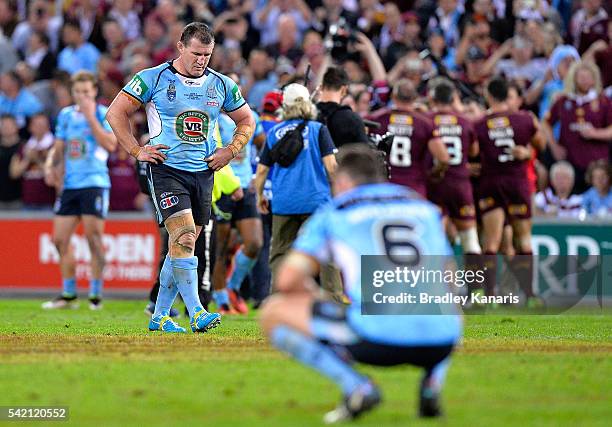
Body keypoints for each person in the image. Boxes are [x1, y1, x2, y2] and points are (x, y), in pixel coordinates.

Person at [260, 144, 462, 423]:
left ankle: (358, 386)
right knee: (444, 298)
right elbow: (449, 275)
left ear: (342, 180)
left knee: (274, 311)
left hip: (378, 339)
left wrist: (318, 295)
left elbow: (287, 280)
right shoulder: (421, 206)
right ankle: (432, 385)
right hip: (442, 340)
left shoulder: (336, 211)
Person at [106, 22, 256, 333]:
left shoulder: (221, 85)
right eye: (197, 53)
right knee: (185, 235)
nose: (202, 60)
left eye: (208, 54)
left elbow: (246, 120)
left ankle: (159, 316)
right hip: (166, 170)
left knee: (182, 244)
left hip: (203, 173)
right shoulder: (153, 78)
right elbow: (115, 112)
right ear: (180, 47)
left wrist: (231, 149)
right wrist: (136, 150)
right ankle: (197, 311)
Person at [254, 83, 342, 299]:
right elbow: (331, 166)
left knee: (281, 253)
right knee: (326, 251)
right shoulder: (318, 130)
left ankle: (280, 299)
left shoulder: (274, 132)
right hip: (316, 202)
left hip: (284, 203)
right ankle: (334, 298)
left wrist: (260, 196)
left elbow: (262, 170)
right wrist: (340, 194)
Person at [41, 71, 117, 310]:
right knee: (59, 240)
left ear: (94, 91)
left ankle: (95, 295)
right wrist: (50, 165)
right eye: (77, 92)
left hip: (94, 183)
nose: (82, 96)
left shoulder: (103, 114)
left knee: (93, 239)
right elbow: (59, 146)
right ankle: (69, 294)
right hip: (70, 185)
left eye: (86, 92)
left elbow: (111, 144)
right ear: (71, 92)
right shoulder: (65, 115)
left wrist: (90, 117)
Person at [474, 77, 546, 302]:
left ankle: (489, 296)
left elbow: (474, 151)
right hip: (517, 183)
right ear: (508, 95)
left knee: (491, 242)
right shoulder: (526, 119)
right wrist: (525, 152)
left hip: (491, 183)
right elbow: (541, 145)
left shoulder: (479, 123)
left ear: (489, 95)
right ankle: (530, 296)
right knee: (523, 240)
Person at [212, 73, 265, 315]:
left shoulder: (250, 117)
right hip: (223, 188)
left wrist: (258, 175)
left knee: (254, 243)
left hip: (246, 187)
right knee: (221, 248)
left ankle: (233, 286)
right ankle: (221, 298)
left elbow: (265, 145)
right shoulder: (211, 119)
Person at [426, 79, 481, 257]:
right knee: (470, 240)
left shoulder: (426, 120)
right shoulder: (465, 122)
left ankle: (438, 284)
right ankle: (478, 286)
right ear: (452, 99)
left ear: (432, 99)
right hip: (460, 185)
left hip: (435, 184)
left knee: (436, 241)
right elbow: (474, 151)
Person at [367, 79, 449, 197]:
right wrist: (434, 173)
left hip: (384, 187)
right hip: (413, 188)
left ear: (394, 96)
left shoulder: (376, 118)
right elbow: (443, 158)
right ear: (415, 98)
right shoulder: (424, 123)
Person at [542, 61, 612, 194]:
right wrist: (554, 146)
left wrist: (595, 133)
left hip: (597, 164)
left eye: (588, 77)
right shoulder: (564, 100)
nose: (585, 81)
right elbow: (546, 123)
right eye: (581, 77)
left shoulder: (603, 101)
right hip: (570, 161)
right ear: (574, 78)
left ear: (594, 79)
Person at [9, 112, 55, 209]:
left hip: (48, 203)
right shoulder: (24, 147)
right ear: (30, 127)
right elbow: (14, 173)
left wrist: (37, 160)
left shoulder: (54, 147)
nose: (40, 128)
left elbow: (55, 177)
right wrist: (27, 159)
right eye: (36, 125)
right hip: (27, 203)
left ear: (48, 127)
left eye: (43, 125)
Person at [316, 67, 368, 148]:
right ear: (344, 90)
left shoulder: (307, 115)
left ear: (321, 87)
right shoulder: (352, 119)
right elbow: (363, 155)